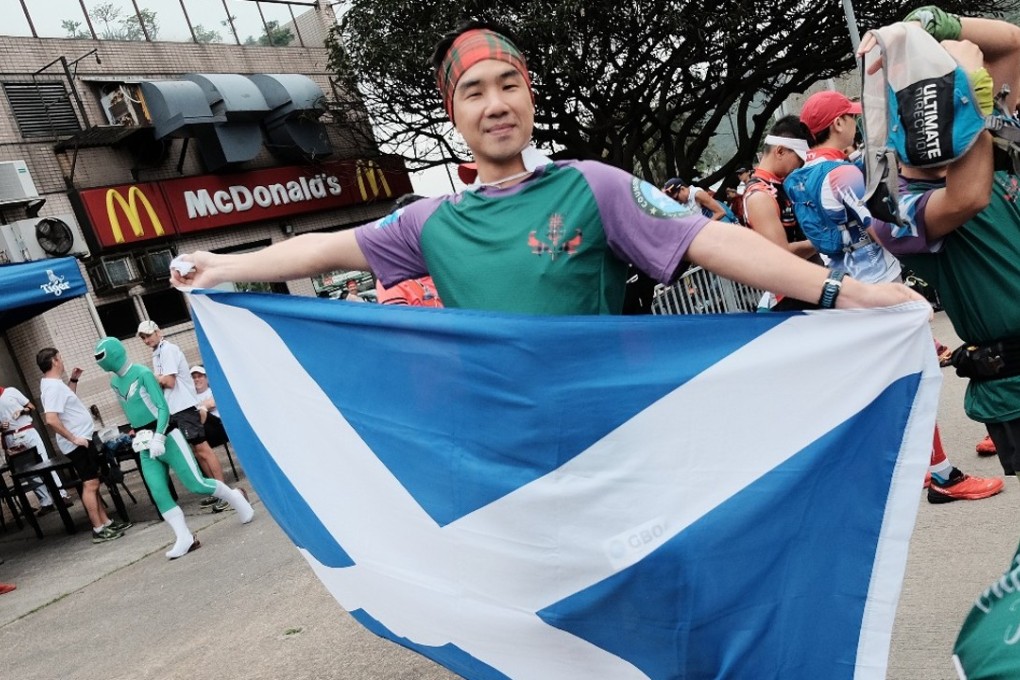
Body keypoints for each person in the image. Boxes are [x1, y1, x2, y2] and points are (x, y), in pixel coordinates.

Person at [171, 21, 921, 321]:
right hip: (508, 445)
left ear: (529, 95)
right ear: (453, 114)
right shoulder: (432, 222)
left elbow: (712, 242)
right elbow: (320, 248)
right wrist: (223, 264)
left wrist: (843, 290)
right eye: (474, 91)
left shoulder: (590, 185)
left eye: (509, 85)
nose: (495, 104)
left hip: (612, 429)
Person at [792, 87, 1001, 502]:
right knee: (919, 376)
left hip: (842, 284)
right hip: (878, 289)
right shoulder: (844, 173)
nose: (855, 122)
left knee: (901, 377)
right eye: (851, 116)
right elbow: (883, 223)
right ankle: (943, 475)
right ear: (837, 124)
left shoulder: (799, 176)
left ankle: (930, 463)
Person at [865, 11, 1020, 491]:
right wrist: (970, 94)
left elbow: (1012, 42)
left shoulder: (991, 153)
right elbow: (967, 197)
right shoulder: (894, 211)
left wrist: (938, 25)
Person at [95, 338, 253, 559]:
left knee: (196, 484)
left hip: (167, 434)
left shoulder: (143, 373)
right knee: (158, 491)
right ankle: (184, 537)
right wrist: (136, 432)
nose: (99, 362)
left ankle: (236, 497)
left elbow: (162, 407)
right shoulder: (115, 383)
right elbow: (132, 411)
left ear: (114, 353)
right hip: (144, 440)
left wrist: (159, 436)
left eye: (102, 356)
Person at [36, 348, 130, 543]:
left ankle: (106, 522)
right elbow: (51, 419)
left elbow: (66, 402)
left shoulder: (55, 384)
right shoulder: (52, 387)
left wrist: (74, 380)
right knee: (90, 483)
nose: (62, 361)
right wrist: (73, 438)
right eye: (60, 358)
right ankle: (98, 528)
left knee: (94, 481)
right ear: (54, 361)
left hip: (84, 439)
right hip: (78, 442)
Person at [137, 320, 228, 512]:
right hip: (174, 409)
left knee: (203, 449)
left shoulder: (168, 349)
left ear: (158, 331)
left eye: (148, 335)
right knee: (197, 452)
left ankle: (225, 491)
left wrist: (152, 378)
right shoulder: (157, 353)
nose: (146, 339)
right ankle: (216, 491)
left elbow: (169, 381)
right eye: (143, 337)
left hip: (185, 407)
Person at [743, 115, 821, 311]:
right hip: (792, 296)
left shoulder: (783, 184)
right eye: (799, 159)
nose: (802, 166)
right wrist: (825, 240)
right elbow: (781, 254)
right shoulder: (759, 195)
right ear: (780, 151)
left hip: (811, 284)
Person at [0, 386, 58, 515]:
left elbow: (31, 406)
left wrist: (22, 411)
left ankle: (61, 494)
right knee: (27, 471)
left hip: (27, 431)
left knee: (44, 462)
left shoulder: (11, 392)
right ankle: (46, 502)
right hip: (10, 437)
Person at [190, 365, 229, 448]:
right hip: (202, 431)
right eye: (193, 377)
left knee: (201, 412)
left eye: (200, 376)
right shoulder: (190, 398)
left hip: (219, 428)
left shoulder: (214, 391)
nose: (196, 379)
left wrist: (199, 407)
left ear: (207, 379)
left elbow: (211, 404)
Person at [661, 177, 729, 221]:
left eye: (676, 198)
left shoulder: (697, 194)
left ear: (682, 189)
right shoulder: (683, 202)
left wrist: (703, 227)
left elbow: (721, 212)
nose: (677, 201)